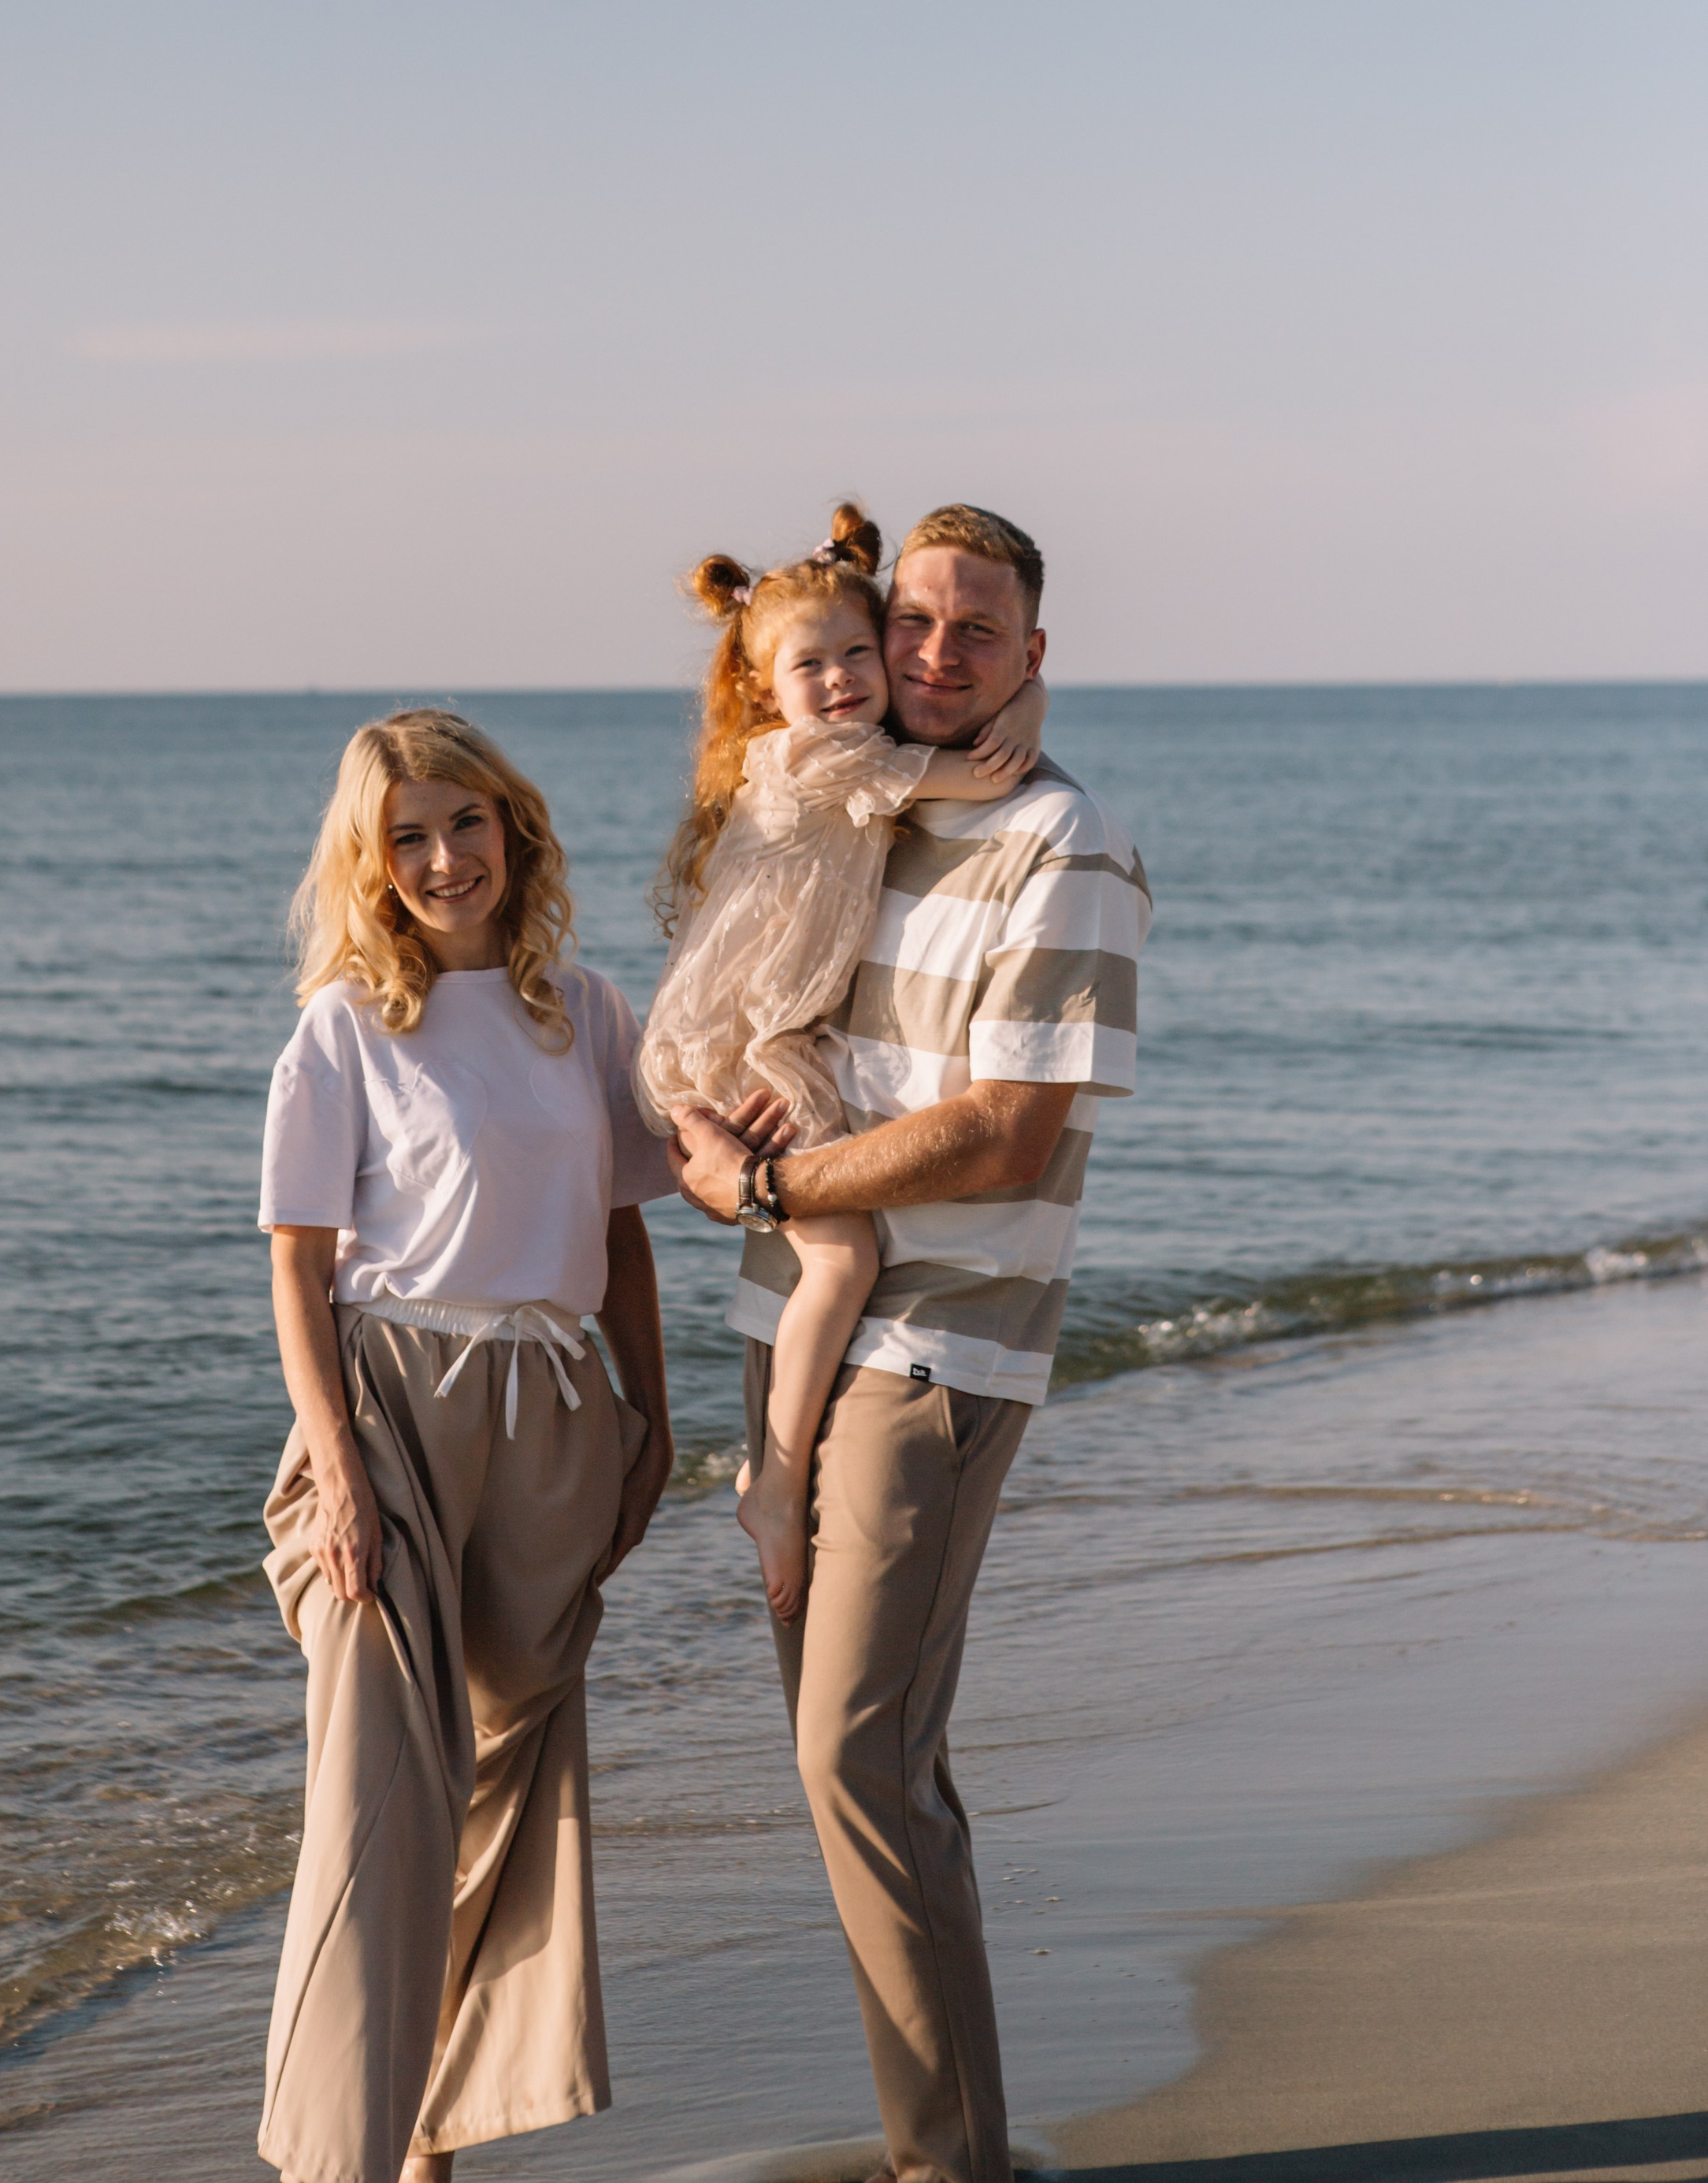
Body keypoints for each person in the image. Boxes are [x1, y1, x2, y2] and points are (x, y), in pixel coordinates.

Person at [671, 507, 1152, 2183]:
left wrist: (769, 1179)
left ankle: (949, 2163)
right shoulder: (863, 796)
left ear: (1031, 657)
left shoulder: (1058, 842)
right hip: (790, 1317)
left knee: (851, 1755)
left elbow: (1006, 1132)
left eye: (974, 631)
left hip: (939, 1345)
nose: (936, 653)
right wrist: (714, 1151)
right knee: (862, 1757)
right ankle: (947, 2141)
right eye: (918, 622)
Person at [256, 709, 780, 2183]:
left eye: (465, 824)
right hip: (389, 1409)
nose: (443, 859)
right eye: (407, 837)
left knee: (509, 1775)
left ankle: (435, 2118)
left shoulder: (588, 1012)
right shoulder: (347, 1029)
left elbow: (624, 1230)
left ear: (515, 829)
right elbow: (299, 1268)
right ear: (370, 863)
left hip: (556, 1412)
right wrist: (340, 1467)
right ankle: (337, 2156)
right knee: (378, 1787)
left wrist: (653, 1415)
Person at [638, 501, 1045, 1619]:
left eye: (858, 653)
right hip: (739, 1042)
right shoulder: (813, 762)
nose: (840, 681)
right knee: (844, 1261)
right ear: (765, 690)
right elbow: (977, 777)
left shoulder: (854, 751)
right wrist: (1031, 698)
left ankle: (783, 1469)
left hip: (756, 1031)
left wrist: (1031, 690)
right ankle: (772, 1482)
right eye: (807, 665)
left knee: (835, 1255)